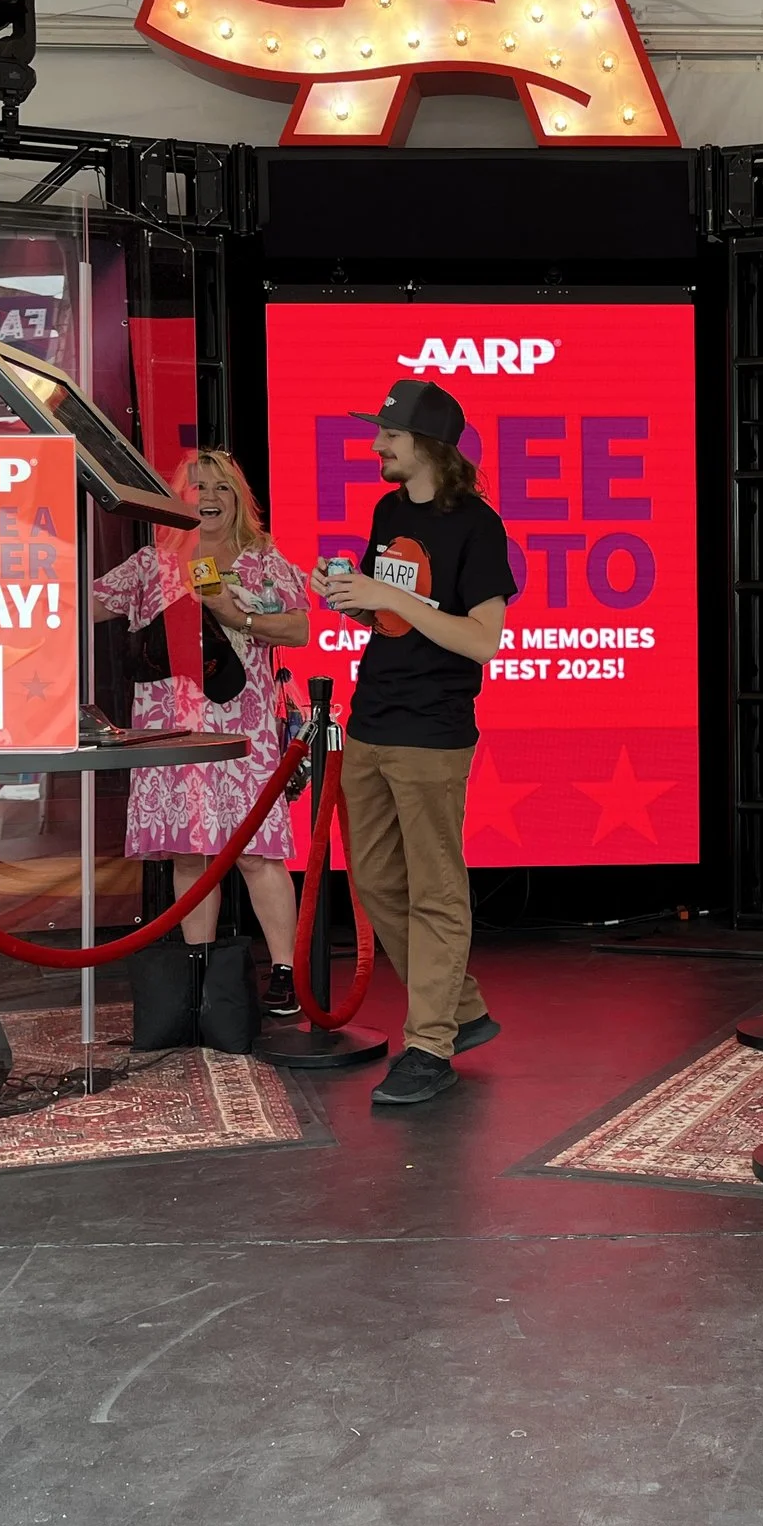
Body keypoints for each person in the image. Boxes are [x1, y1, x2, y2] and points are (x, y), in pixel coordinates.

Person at [311, 378, 516, 1107]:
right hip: (371, 719)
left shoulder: (477, 527)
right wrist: (353, 596)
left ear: (426, 444)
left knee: (435, 887)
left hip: (433, 731)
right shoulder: (387, 509)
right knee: (373, 882)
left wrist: (391, 595)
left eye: (389, 436)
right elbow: (395, 620)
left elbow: (484, 639)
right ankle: (460, 1008)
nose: (376, 446)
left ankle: (429, 1043)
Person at [90, 449, 311, 1005]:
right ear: (177, 501)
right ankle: (201, 975)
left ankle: (284, 975)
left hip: (245, 728)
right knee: (190, 852)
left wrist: (242, 618)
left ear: (239, 500)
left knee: (257, 853)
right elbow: (80, 606)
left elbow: (300, 629)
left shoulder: (262, 559)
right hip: (171, 730)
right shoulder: (151, 564)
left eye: (221, 488)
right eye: (197, 488)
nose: (209, 498)